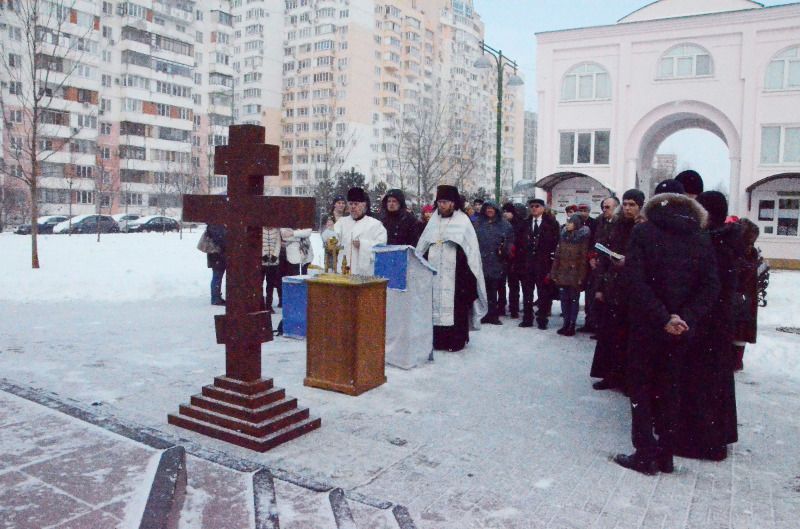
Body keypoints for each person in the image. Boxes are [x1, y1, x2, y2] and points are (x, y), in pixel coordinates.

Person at [614, 189, 720, 476]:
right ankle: (666, 454)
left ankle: (644, 453)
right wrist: (685, 317)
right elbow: (711, 286)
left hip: (647, 326)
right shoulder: (700, 237)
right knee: (671, 390)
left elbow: (635, 280)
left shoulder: (643, 233)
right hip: (682, 331)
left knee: (641, 389)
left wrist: (663, 317)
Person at [673, 191, 742, 462]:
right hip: (717, 322)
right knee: (715, 382)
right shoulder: (724, 239)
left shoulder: (713, 244)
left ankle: (704, 443)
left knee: (702, 383)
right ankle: (717, 437)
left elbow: (706, 285)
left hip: (707, 323)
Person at [416, 185, 487, 352]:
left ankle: (456, 340)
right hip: (434, 272)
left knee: (457, 307)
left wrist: (465, 274)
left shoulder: (463, 221)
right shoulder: (433, 221)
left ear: (453, 203)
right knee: (434, 304)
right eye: (439, 202)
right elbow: (422, 247)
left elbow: (471, 251)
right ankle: (438, 340)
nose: (441, 205)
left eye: (445, 202)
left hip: (457, 274)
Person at [590, 190, 643, 390]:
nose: (628, 208)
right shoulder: (617, 226)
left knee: (630, 338)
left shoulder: (644, 227)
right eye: (626, 204)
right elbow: (604, 257)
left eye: (632, 205)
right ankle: (610, 376)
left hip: (633, 291)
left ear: (640, 206)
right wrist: (600, 288)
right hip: (613, 288)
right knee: (611, 335)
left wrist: (628, 262)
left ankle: (629, 381)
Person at [515, 198, 559, 329]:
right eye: (532, 206)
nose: (534, 208)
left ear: (543, 208)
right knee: (527, 293)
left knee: (543, 294)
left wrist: (551, 264)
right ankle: (527, 318)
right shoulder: (524, 223)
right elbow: (519, 244)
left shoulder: (551, 224)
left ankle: (542, 319)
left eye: (537, 206)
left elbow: (555, 243)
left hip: (543, 265)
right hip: (527, 265)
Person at [549, 213, 591, 336]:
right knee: (564, 300)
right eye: (567, 222)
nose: (567, 224)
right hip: (563, 273)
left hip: (575, 274)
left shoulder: (582, 239)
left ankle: (572, 324)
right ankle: (566, 323)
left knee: (573, 300)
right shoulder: (563, 236)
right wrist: (554, 272)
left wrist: (581, 276)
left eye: (570, 222)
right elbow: (557, 256)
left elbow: (583, 260)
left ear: (576, 224)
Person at [582, 196, 619, 333]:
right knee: (591, 294)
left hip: (611, 265)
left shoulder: (620, 224)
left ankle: (601, 327)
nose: (604, 209)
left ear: (616, 208)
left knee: (605, 296)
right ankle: (590, 322)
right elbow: (592, 242)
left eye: (607, 207)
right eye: (603, 207)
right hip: (596, 265)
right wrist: (591, 257)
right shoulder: (599, 222)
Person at [474, 201, 513, 325]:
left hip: (497, 261)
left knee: (494, 290)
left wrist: (505, 250)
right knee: (482, 290)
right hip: (481, 261)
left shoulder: (504, 224)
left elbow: (510, 241)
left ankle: (493, 315)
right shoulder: (478, 223)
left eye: (492, 208)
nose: (489, 210)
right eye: (487, 208)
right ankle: (484, 314)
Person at [333, 187, 387, 275]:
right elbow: (333, 239)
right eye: (350, 204)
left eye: (356, 204)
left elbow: (381, 248)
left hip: (365, 274)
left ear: (363, 205)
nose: (353, 207)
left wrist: (363, 244)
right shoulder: (341, 223)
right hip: (343, 272)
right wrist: (330, 237)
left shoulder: (375, 225)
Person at [733, 218, 761, 371]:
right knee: (740, 331)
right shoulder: (750, 254)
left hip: (740, 298)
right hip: (745, 299)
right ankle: (736, 361)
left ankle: (735, 361)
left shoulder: (741, 254)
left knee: (738, 331)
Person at [498, 202, 523, 318]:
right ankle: (501, 307)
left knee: (513, 285)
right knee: (501, 284)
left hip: (515, 259)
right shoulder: (501, 224)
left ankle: (514, 308)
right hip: (503, 258)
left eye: (507, 211)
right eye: (503, 211)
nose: (505, 214)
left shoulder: (519, 224)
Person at [261, 227, 283, 312]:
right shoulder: (261, 229)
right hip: (262, 262)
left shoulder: (276, 230)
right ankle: (261, 304)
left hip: (273, 263)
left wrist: (275, 255)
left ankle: (268, 305)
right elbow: (259, 242)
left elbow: (278, 243)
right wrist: (263, 255)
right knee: (259, 284)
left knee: (270, 285)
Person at [206, 223, 227, 306]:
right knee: (217, 276)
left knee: (217, 276)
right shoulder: (216, 226)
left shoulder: (213, 225)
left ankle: (216, 297)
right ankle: (216, 298)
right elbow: (221, 240)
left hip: (215, 255)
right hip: (218, 255)